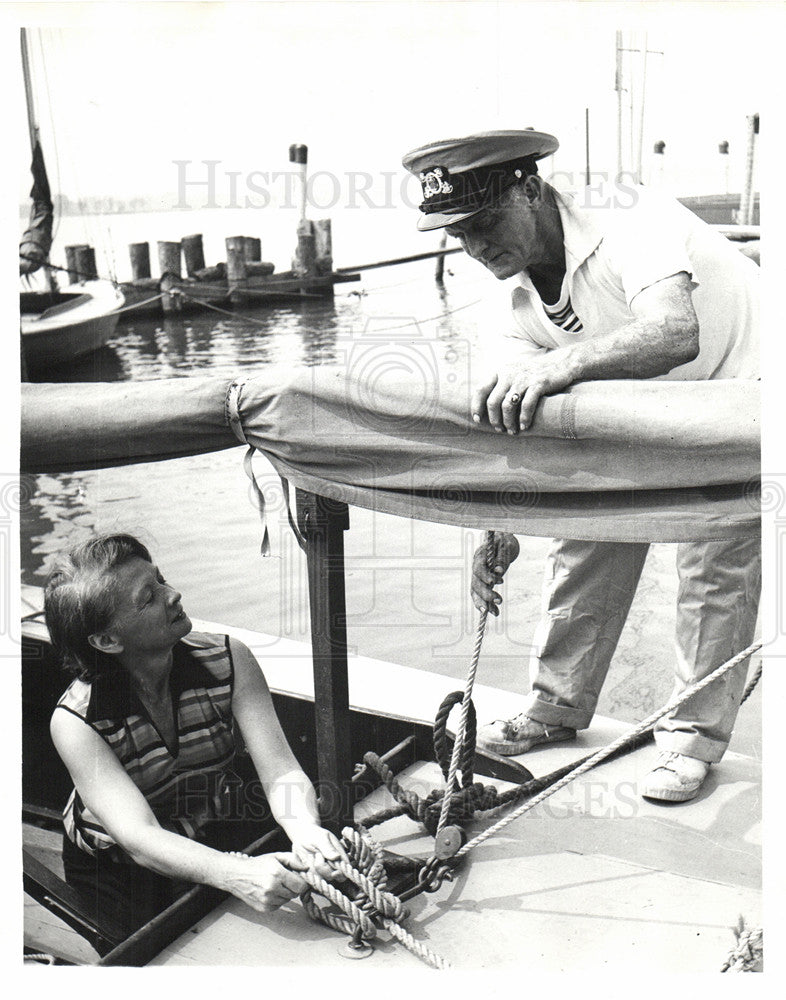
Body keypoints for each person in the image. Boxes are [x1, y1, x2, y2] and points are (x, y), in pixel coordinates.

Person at [402, 130, 760, 802]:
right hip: (646, 405)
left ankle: (691, 743)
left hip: (745, 388)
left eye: (486, 223)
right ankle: (557, 706)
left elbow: (675, 332)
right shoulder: (512, 304)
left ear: (531, 188)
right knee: (587, 530)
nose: (477, 249)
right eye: (460, 235)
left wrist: (559, 363)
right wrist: (495, 521)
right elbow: (523, 432)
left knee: (715, 560)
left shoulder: (630, 217)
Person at [45, 533, 346, 953]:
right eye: (149, 597)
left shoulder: (230, 658)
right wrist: (234, 874)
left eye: (161, 579)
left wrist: (303, 828)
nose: (174, 594)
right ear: (107, 641)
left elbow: (280, 771)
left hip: (204, 820)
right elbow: (139, 837)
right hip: (118, 866)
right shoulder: (76, 721)